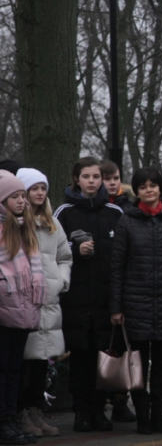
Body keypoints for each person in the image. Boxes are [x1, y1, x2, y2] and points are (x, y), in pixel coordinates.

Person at [109, 167, 162, 435]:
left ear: (160, 188)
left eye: (153, 185)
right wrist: (117, 307)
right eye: (143, 186)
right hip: (136, 306)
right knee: (138, 366)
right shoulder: (127, 221)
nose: (149, 190)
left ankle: (160, 416)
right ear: (137, 191)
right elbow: (117, 267)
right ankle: (143, 417)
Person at [54, 157, 124, 433]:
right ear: (77, 179)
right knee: (80, 358)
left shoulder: (115, 212)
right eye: (87, 176)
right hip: (76, 301)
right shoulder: (64, 212)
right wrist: (75, 250)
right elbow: (53, 250)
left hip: (107, 300)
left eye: (97, 176)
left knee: (103, 357)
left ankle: (99, 409)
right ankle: (81, 411)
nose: (92, 181)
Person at [15, 169, 70, 439]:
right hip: (26, 301)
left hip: (50, 300)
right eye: (33, 188)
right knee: (24, 360)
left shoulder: (53, 224)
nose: (39, 193)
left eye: (42, 188)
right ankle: (21, 411)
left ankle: (36, 409)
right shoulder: (17, 224)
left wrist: (61, 280)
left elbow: (64, 256)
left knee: (41, 360)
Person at [0, 171, 45, 445]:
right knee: (3, 368)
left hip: (22, 306)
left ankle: (9, 418)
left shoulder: (22, 226)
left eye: (21, 195)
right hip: (6, 306)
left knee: (14, 368)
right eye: (14, 196)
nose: (21, 200)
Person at [97, 160, 137, 425]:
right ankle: (99, 401)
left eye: (116, 178)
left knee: (124, 347)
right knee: (104, 348)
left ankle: (121, 401)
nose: (112, 183)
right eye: (107, 178)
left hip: (125, 286)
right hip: (101, 287)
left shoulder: (128, 209)